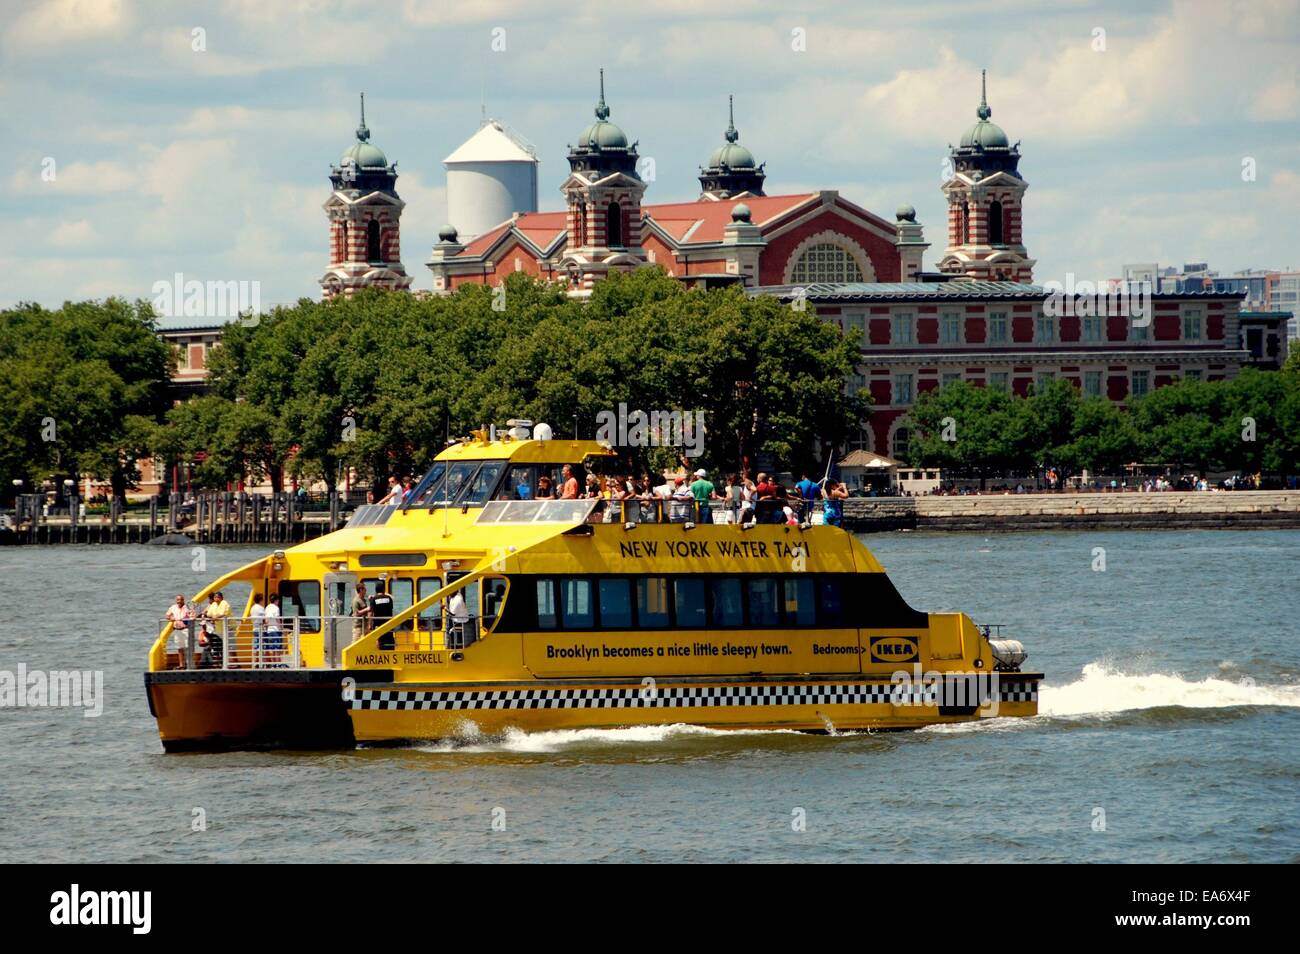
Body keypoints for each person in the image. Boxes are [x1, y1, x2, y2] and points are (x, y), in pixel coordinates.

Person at [164, 594, 195, 668]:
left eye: (181, 600)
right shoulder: (173, 607)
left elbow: (193, 616)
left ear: (183, 600)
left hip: (186, 629)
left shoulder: (188, 607)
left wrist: (187, 619)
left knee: (188, 647)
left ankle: (190, 665)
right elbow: (167, 615)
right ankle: (181, 665)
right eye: (178, 600)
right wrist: (171, 617)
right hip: (177, 630)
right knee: (179, 648)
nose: (179, 601)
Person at [370, 579, 395, 650]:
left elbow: (371, 612)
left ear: (376, 590)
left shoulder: (373, 599)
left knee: (379, 641)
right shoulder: (389, 598)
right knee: (389, 641)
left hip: (378, 625)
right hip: (388, 624)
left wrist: (370, 625)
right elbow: (391, 609)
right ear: (384, 589)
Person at [263, 594, 283, 666]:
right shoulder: (276, 608)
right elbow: (277, 619)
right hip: (276, 630)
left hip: (269, 630)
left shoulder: (267, 607)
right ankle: (278, 664)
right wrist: (281, 627)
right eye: (278, 600)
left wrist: (267, 626)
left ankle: (273, 663)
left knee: (271, 648)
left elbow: (266, 620)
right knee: (277, 648)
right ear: (276, 600)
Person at [250, 593, 266, 667]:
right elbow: (264, 619)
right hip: (260, 628)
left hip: (254, 628)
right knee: (261, 646)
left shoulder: (252, 608)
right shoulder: (261, 608)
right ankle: (261, 663)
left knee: (255, 646)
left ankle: (254, 662)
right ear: (260, 600)